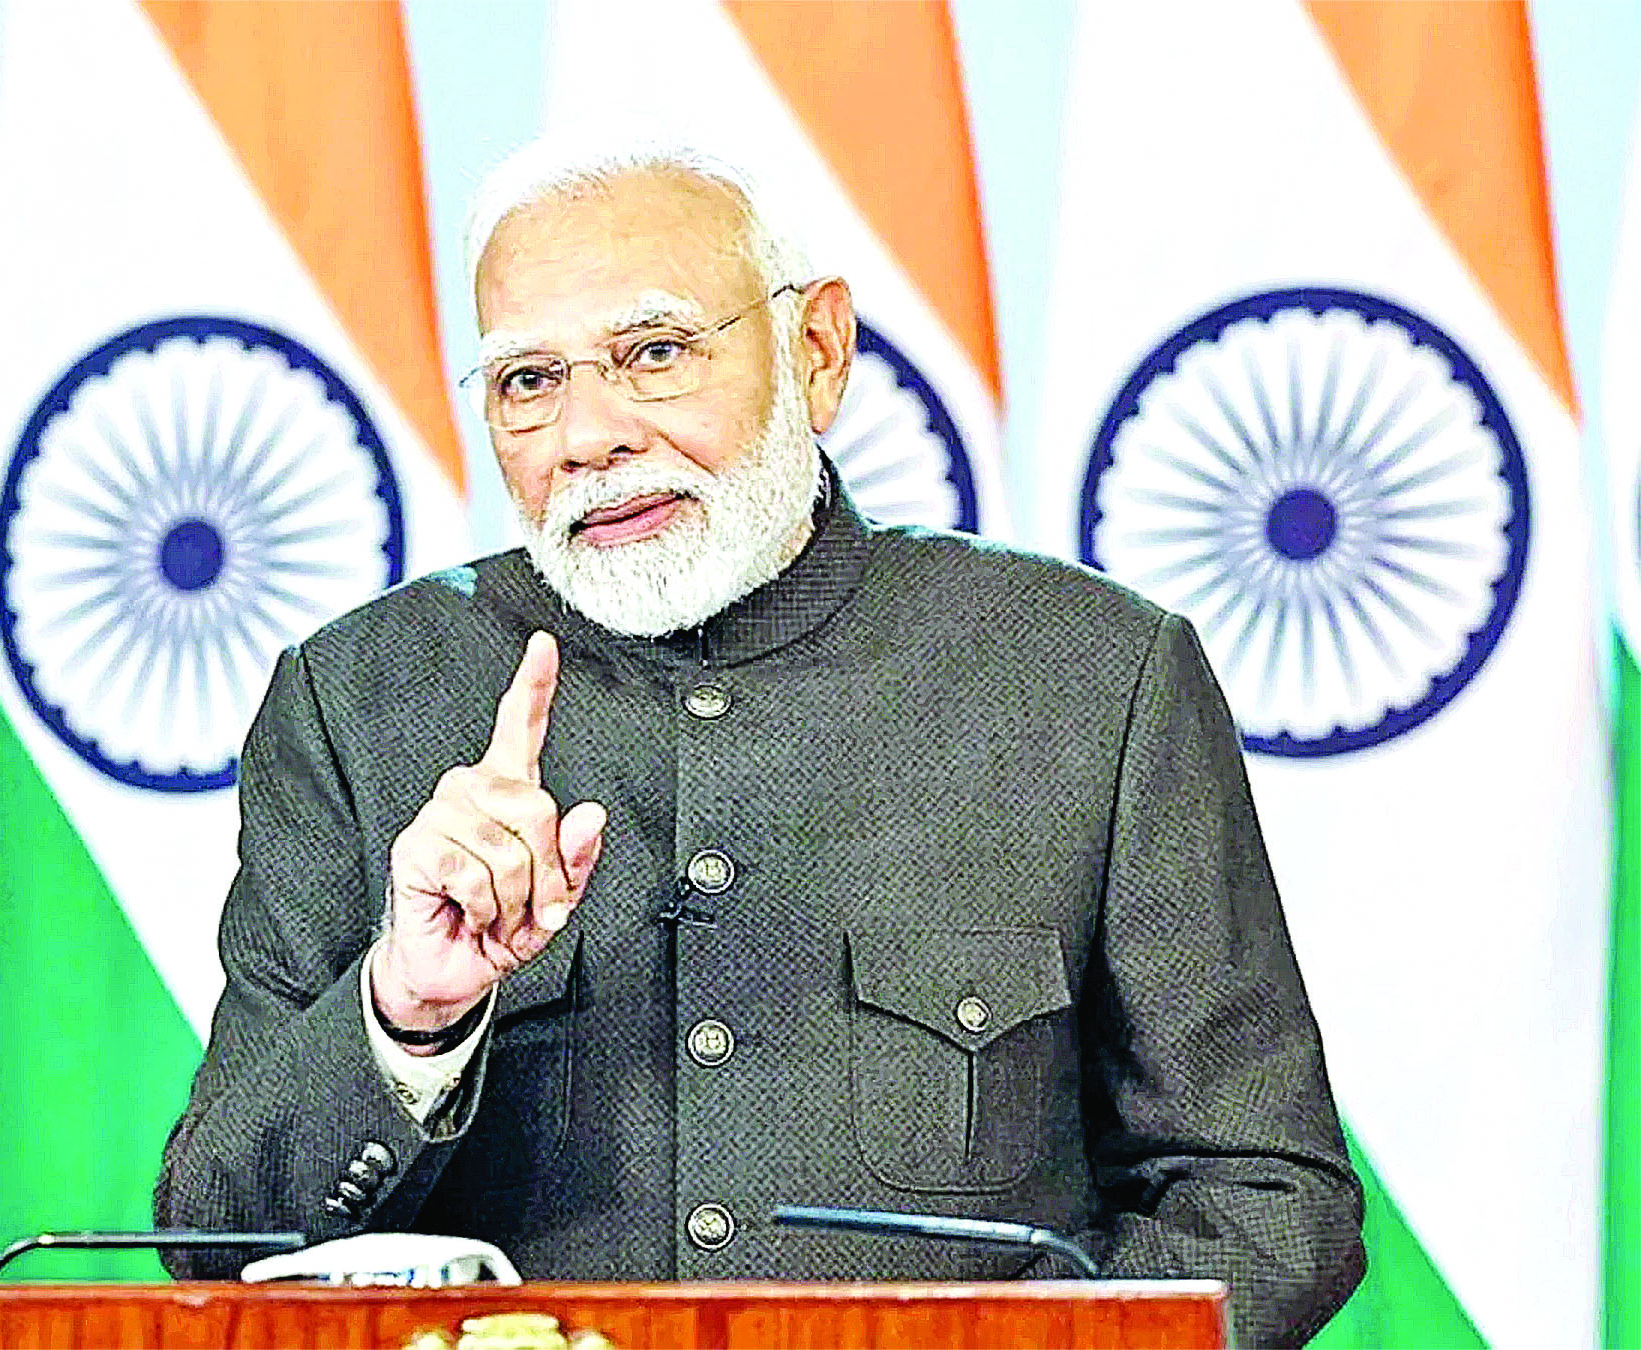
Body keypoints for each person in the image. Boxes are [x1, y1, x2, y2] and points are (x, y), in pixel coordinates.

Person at [156, 139, 1365, 1346]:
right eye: (529, 380)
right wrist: (407, 1011)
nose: (587, 435)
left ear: (818, 351)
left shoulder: (1092, 678)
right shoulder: (357, 699)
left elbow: (1265, 1204)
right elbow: (219, 1246)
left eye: (657, 352)